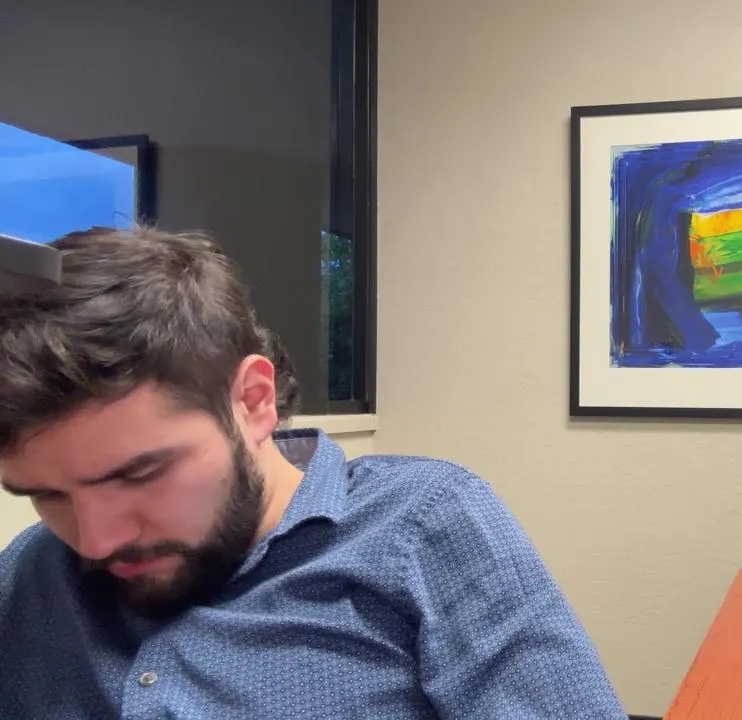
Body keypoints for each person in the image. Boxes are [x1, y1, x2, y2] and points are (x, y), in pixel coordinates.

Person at [0, 227, 627, 719]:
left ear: (252, 401)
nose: (97, 541)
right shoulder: (32, 570)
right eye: (46, 494)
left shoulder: (422, 527)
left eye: (139, 475)